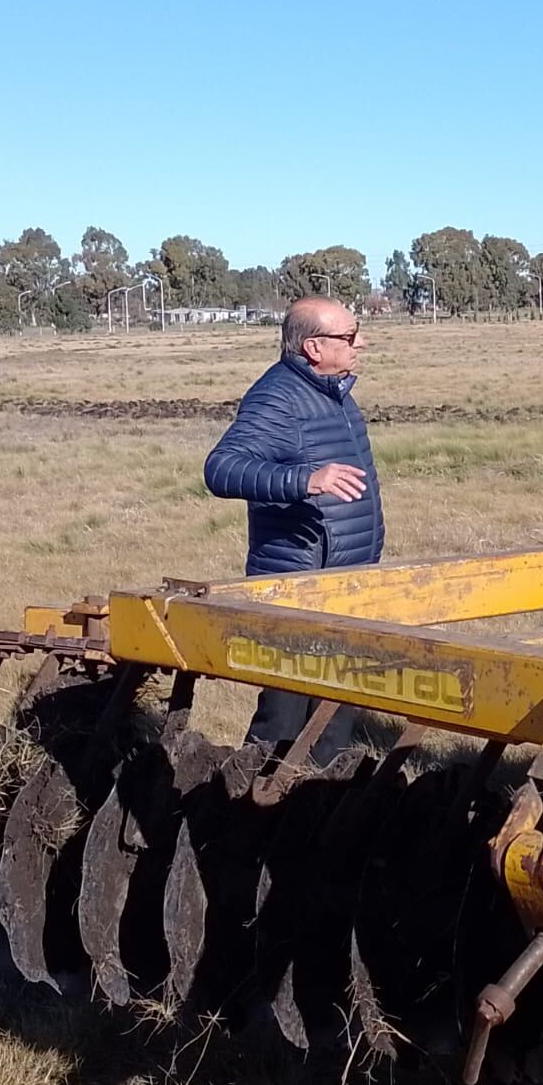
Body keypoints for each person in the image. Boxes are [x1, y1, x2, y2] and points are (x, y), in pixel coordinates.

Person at [204, 296, 382, 757]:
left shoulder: (334, 392)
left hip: (341, 587)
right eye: (349, 336)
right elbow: (222, 468)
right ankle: (244, 811)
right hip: (293, 588)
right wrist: (304, 481)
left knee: (334, 719)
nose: (361, 342)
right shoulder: (277, 397)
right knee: (282, 723)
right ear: (314, 347)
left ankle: (316, 813)